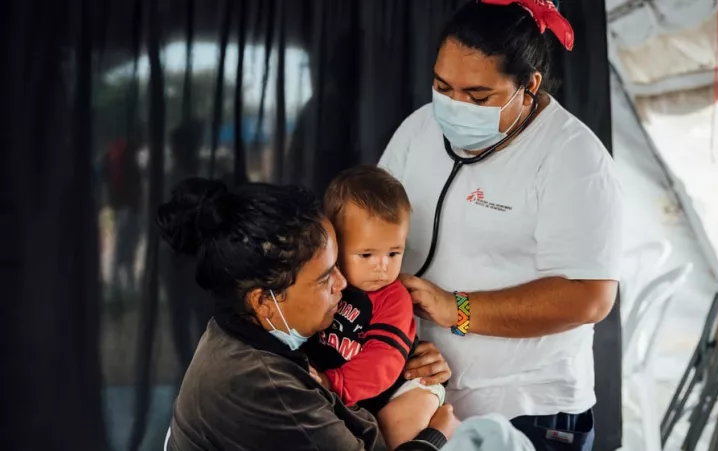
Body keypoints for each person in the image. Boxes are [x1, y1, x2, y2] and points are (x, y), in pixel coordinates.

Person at [378, 1, 622, 450]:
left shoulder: (574, 159)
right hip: (422, 395)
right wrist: (391, 338)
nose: (453, 107)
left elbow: (590, 297)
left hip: (528, 409)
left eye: (478, 97)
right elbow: (370, 229)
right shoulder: (417, 131)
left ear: (528, 87)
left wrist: (457, 309)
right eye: (442, 86)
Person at [157, 177, 460, 451]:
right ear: (264, 301)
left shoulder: (237, 330)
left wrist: (409, 360)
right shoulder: (267, 388)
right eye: (326, 277)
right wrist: (435, 434)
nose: (342, 284)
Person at [304, 166, 447, 449]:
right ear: (334, 243)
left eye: (394, 253)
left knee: (392, 429)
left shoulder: (393, 298)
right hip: (349, 390)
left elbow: (384, 360)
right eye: (366, 254)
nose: (382, 267)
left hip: (402, 388)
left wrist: (335, 384)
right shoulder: (322, 285)